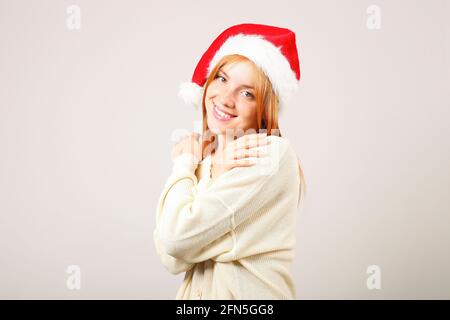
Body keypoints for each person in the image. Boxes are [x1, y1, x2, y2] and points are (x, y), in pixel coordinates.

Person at [154, 23, 306, 299]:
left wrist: (184, 162)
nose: (225, 98)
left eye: (247, 93)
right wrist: (217, 168)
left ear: (264, 107)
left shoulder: (270, 154)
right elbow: (171, 257)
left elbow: (175, 238)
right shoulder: (209, 159)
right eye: (222, 79)